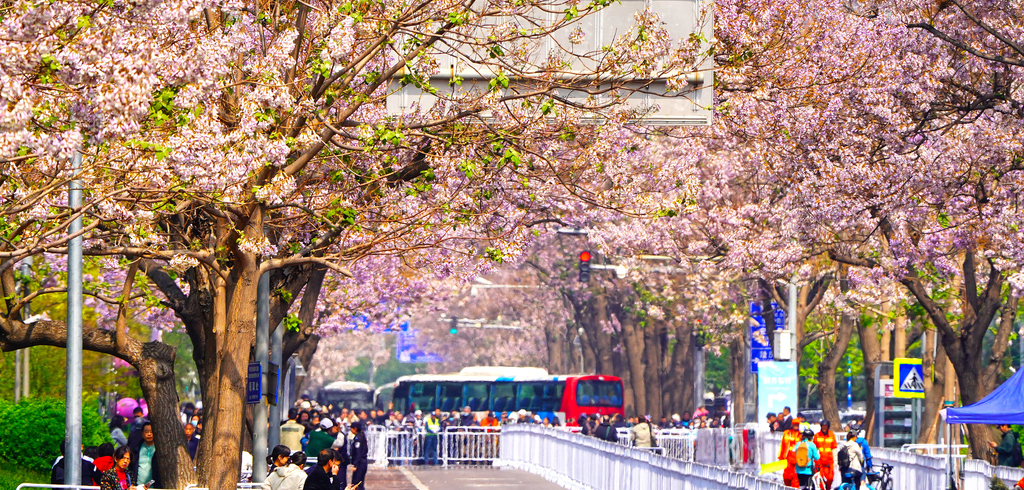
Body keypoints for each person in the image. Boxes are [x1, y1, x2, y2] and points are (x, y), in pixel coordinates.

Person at [129, 422, 158, 487]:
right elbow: (131, 467)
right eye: (146, 431)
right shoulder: (136, 449)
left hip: (154, 487)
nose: (149, 434)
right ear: (142, 434)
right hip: (139, 486)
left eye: (151, 432)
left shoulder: (159, 449)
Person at [778, 415, 803, 488]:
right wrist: (781, 456)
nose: (796, 426)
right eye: (795, 424)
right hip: (788, 458)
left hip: (797, 460)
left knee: (796, 479)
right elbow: (782, 445)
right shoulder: (786, 433)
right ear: (792, 424)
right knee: (786, 477)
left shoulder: (801, 435)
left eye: (797, 424)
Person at [812, 420, 838, 489]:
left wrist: (835, 460)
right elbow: (813, 449)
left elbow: (834, 448)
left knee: (830, 478)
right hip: (819, 462)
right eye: (823, 426)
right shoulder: (817, 435)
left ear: (828, 427)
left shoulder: (831, 435)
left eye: (825, 426)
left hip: (829, 462)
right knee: (820, 480)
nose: (824, 428)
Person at [350, 422, 368, 490]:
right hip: (362, 462)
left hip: (360, 463)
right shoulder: (360, 436)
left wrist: (355, 465)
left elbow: (358, 453)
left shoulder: (358, 438)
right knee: (359, 483)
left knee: (357, 483)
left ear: (355, 429)